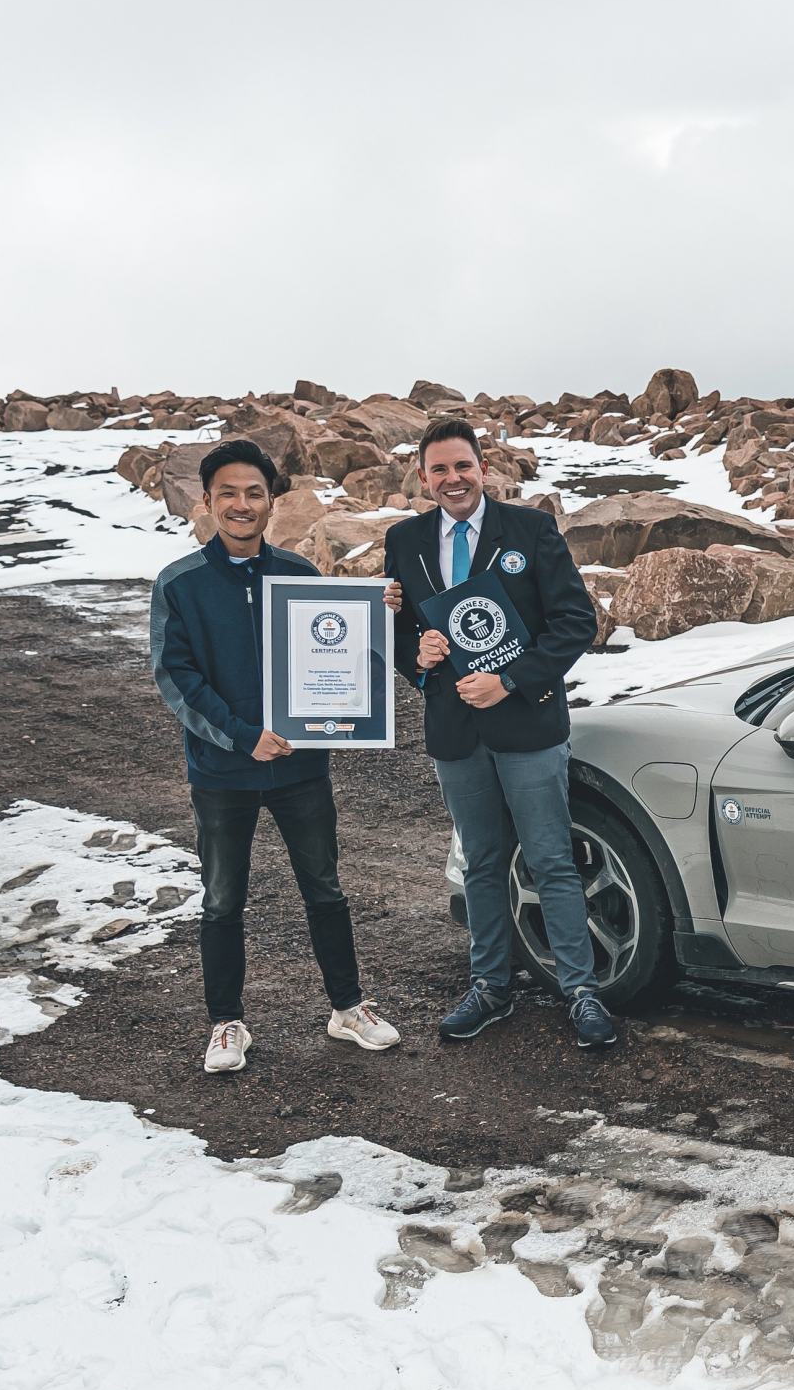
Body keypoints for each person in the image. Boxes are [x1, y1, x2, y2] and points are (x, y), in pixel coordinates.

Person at [150, 437, 401, 1073]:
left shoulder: (299, 575)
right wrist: (241, 734)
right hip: (222, 772)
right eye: (228, 493)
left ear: (271, 501)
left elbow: (344, 659)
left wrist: (374, 613)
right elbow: (175, 678)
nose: (242, 504)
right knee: (223, 898)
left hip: (300, 770)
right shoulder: (179, 584)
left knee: (325, 888)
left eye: (254, 493)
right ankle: (226, 1023)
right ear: (206, 502)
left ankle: (348, 1008)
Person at [384, 419, 611, 1047]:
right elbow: (400, 631)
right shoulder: (404, 540)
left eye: (463, 466)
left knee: (550, 860)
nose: (453, 479)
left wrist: (509, 681)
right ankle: (490, 987)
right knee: (481, 863)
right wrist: (419, 655)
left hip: (526, 722)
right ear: (424, 479)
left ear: (483, 468)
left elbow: (573, 622)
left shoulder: (531, 530)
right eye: (439, 470)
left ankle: (581, 990)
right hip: (457, 731)